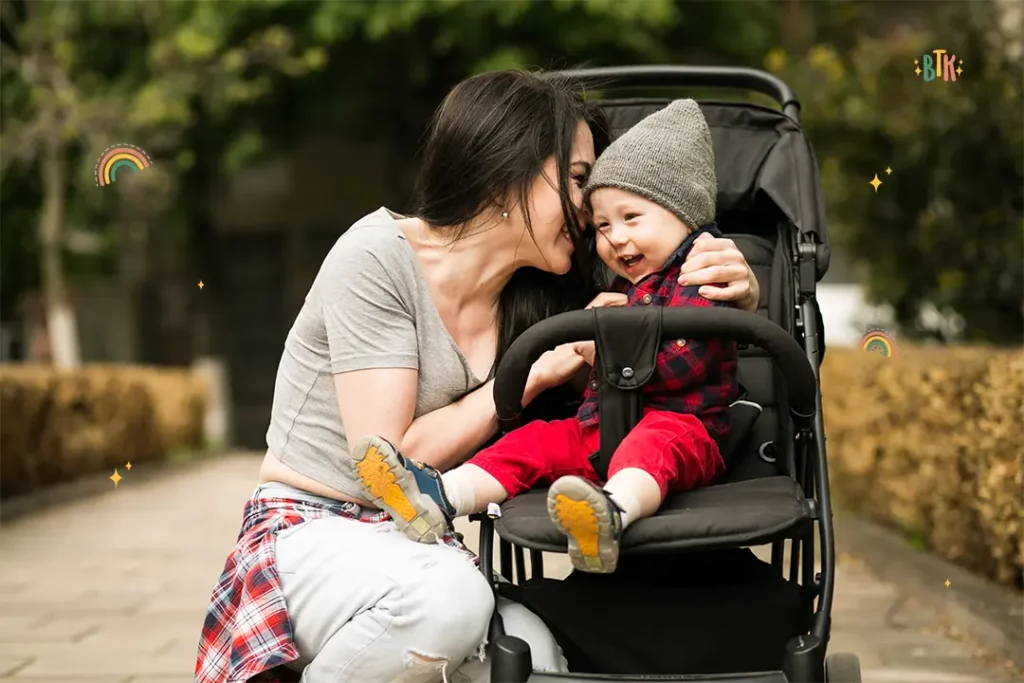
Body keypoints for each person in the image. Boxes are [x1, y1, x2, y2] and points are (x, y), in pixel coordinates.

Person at [196, 70, 762, 683]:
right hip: (311, 530)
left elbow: (664, 350)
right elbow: (390, 459)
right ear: (506, 171)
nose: (590, 206)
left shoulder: (542, 294)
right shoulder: (378, 257)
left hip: (417, 545)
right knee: (448, 604)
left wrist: (740, 296)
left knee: (538, 656)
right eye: (577, 180)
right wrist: (534, 375)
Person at [350, 99, 739, 575]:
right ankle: (438, 497)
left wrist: (611, 352)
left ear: (684, 214)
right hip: (602, 431)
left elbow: (687, 365)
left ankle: (610, 514)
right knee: (532, 443)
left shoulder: (702, 272)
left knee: (651, 446)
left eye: (631, 219)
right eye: (601, 225)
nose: (612, 237)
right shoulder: (614, 285)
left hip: (681, 427)